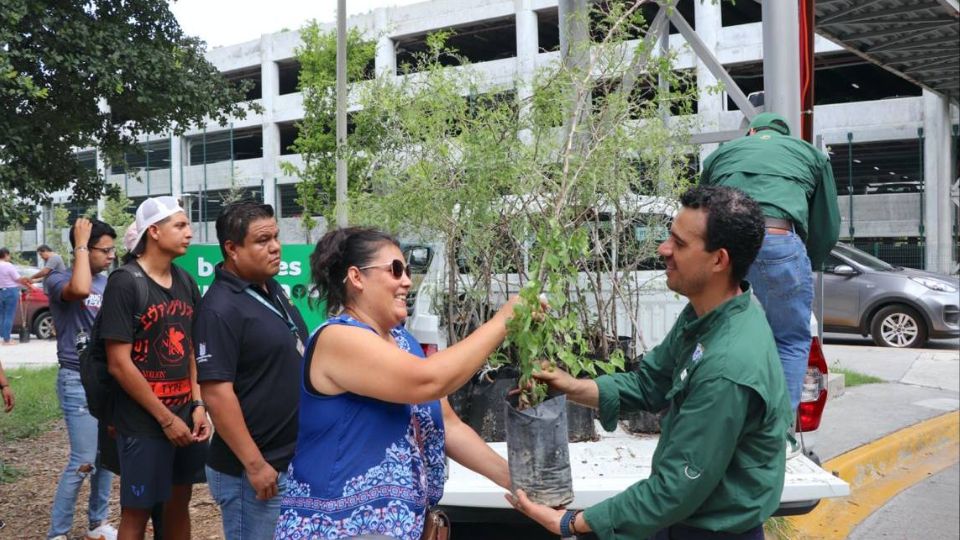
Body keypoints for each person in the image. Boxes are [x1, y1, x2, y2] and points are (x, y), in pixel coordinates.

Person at [508, 186, 792, 540]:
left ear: (719, 260)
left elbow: (676, 489)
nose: (664, 250)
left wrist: (572, 523)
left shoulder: (728, 366)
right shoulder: (709, 314)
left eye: (680, 244)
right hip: (682, 519)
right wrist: (570, 387)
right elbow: (650, 383)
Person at [274, 227, 516, 540]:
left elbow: (448, 426)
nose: (406, 280)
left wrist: (517, 483)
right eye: (395, 269)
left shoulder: (404, 342)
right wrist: (502, 322)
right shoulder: (338, 338)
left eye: (408, 270)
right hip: (337, 529)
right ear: (357, 277)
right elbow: (429, 381)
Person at [699, 112, 840, 412]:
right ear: (785, 136)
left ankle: (723, 420)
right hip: (780, 240)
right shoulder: (809, 154)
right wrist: (805, 262)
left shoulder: (722, 155)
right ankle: (779, 430)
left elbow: (700, 215)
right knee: (789, 340)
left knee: (723, 337)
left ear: (751, 133)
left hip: (729, 251)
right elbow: (827, 225)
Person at [194, 202, 309, 540]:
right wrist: (255, 465)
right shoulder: (219, 308)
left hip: (286, 462)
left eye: (276, 237)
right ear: (232, 249)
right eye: (262, 240)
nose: (275, 246)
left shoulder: (269, 289)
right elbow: (216, 393)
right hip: (253, 472)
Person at [100, 196, 210, 540]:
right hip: (143, 420)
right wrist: (165, 418)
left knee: (180, 502)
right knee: (138, 509)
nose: (189, 233)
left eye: (187, 225)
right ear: (154, 232)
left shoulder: (186, 281)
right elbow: (119, 363)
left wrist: (198, 404)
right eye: (179, 225)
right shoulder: (125, 282)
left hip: (185, 414)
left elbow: (192, 349)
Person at [46, 218, 119, 540]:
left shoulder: (109, 283)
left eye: (113, 249)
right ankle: (57, 532)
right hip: (76, 378)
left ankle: (97, 522)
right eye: (104, 250)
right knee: (84, 459)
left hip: (106, 380)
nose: (111, 256)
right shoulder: (59, 279)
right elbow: (79, 289)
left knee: (104, 458)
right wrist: (79, 244)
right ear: (83, 250)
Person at [0, 247, 34, 345]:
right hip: (10, 291)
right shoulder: (8, 265)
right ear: (6, 254)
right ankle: (6, 340)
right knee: (9, 316)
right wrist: (28, 283)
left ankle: (2, 338)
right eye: (9, 255)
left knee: (1, 315)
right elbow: (18, 279)